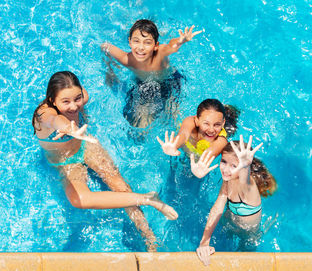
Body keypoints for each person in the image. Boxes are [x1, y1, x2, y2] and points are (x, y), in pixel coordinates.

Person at [32, 71, 178, 252]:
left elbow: (79, 97)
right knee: (80, 199)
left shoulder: (81, 96)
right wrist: (68, 129)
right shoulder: (43, 114)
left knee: (121, 187)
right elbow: (55, 120)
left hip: (87, 146)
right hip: (66, 161)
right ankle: (146, 199)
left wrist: (77, 127)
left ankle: (151, 240)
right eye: (65, 102)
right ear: (52, 100)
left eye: (76, 99)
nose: (74, 106)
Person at [101, 19, 203, 128]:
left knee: (173, 118)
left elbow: (171, 46)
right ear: (129, 41)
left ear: (156, 45)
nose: (141, 47)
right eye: (136, 41)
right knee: (139, 124)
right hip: (143, 84)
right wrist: (110, 68)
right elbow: (104, 46)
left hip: (169, 82)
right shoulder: (127, 60)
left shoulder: (159, 54)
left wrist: (181, 40)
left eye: (147, 43)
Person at [194, 135, 277, 266]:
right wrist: (204, 241)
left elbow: (245, 179)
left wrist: (245, 166)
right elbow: (218, 207)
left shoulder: (248, 187)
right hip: (230, 220)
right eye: (224, 161)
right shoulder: (228, 179)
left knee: (243, 261)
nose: (226, 169)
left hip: (247, 233)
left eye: (234, 165)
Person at [157, 98, 240, 178]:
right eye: (206, 124)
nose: (211, 130)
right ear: (197, 120)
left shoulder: (221, 141)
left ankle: (230, 111)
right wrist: (174, 145)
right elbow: (183, 136)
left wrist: (200, 167)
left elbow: (207, 156)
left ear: (222, 123)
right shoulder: (190, 122)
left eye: (217, 124)